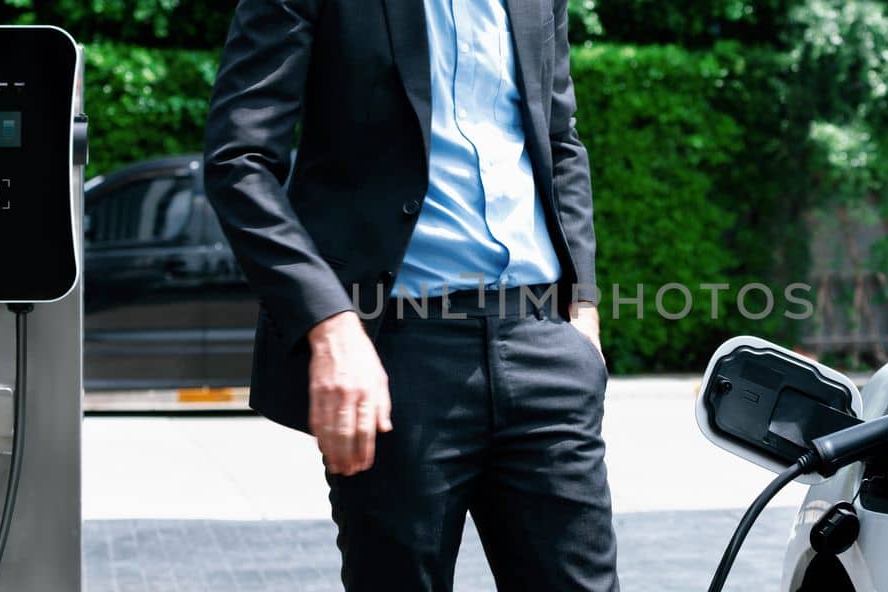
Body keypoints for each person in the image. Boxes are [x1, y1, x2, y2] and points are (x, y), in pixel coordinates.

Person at [201, 0, 616, 590]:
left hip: (543, 345)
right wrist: (331, 322)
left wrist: (584, 309)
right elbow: (238, 163)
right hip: (395, 357)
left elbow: (559, 137)